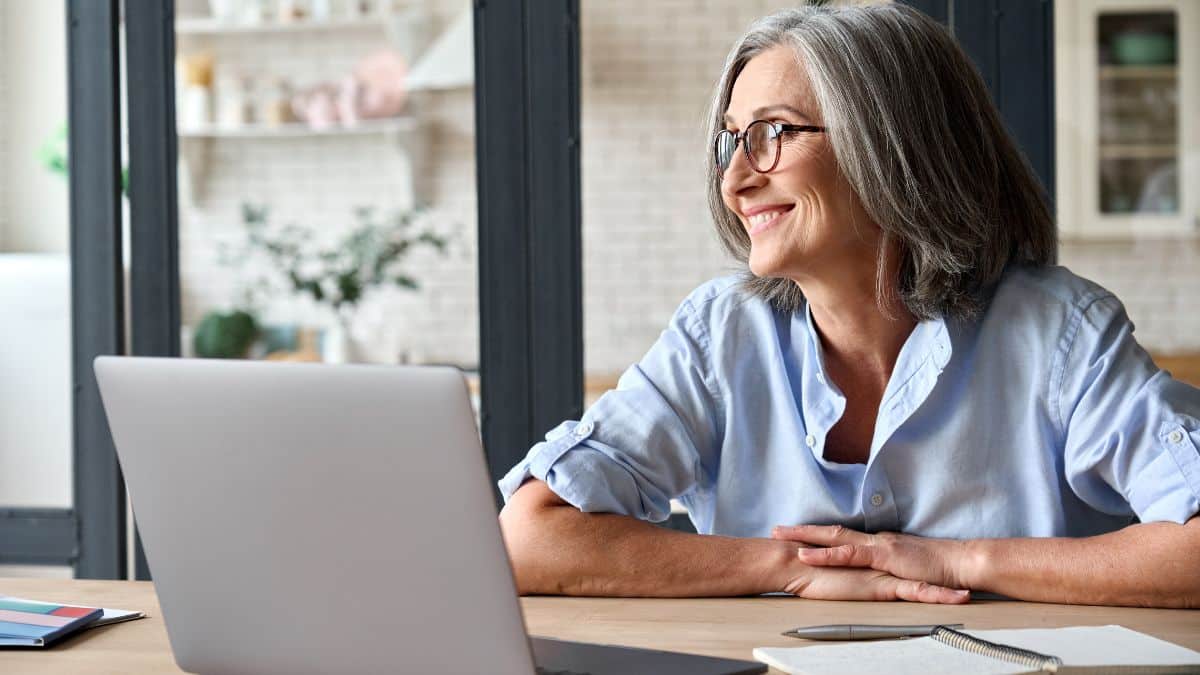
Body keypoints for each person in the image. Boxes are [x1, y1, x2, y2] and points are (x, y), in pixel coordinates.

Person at [497, 3, 1200, 607]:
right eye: (730, 142)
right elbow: (530, 535)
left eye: (772, 134)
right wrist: (791, 571)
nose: (737, 179)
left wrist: (957, 560)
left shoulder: (1060, 333)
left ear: (893, 144)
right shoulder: (721, 334)